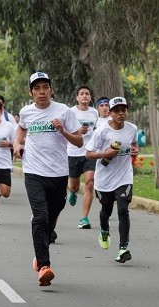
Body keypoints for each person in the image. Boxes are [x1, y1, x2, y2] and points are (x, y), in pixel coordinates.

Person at [13, 72, 83, 287]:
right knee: (40, 216)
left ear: (51, 89)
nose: (41, 92)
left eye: (45, 87)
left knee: (50, 219)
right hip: (33, 172)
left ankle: (40, 251)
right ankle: (44, 266)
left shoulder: (64, 111)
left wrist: (63, 130)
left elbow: (79, 141)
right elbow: (22, 128)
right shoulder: (26, 112)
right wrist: (17, 143)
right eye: (37, 88)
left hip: (58, 173)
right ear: (31, 92)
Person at [85, 96, 139, 263]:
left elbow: (134, 144)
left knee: (123, 210)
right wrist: (105, 154)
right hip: (104, 180)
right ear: (110, 112)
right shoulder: (102, 131)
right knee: (106, 211)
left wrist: (135, 151)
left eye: (123, 110)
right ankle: (104, 229)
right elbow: (88, 154)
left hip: (124, 177)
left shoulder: (132, 129)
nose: (121, 113)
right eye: (117, 111)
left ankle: (123, 248)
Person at [67, 85, 99, 229]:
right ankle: (73, 192)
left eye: (87, 94)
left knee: (90, 183)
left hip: (89, 153)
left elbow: (97, 131)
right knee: (73, 185)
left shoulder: (94, 113)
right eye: (82, 94)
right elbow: (65, 131)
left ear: (90, 97)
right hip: (73, 153)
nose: (85, 96)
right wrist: (77, 131)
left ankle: (84, 217)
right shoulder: (70, 112)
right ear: (77, 97)